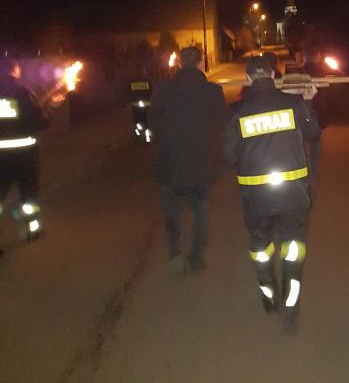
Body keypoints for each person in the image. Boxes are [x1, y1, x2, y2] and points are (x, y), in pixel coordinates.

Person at [224, 55, 320, 334]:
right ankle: (291, 308)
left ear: (247, 79)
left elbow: (229, 155)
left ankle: (269, 297)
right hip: (292, 196)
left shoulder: (236, 112)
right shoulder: (293, 103)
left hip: (256, 199)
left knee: (261, 251)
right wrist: (308, 101)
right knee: (293, 251)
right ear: (274, 75)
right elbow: (313, 133)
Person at [149, 46, 225, 274]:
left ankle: (175, 253)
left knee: (172, 212)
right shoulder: (213, 91)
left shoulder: (163, 90)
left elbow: (153, 123)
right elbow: (221, 123)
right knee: (200, 212)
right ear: (201, 63)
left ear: (179, 63)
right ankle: (196, 256)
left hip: (171, 162)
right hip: (202, 162)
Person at [0, 58, 49, 243]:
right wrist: (48, 110)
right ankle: (32, 230)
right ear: (15, 70)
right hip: (24, 156)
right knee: (28, 194)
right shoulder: (23, 93)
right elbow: (39, 122)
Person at [301, 47, 329, 196]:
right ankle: (312, 182)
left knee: (304, 152)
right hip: (317, 117)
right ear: (318, 57)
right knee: (314, 153)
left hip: (302, 119)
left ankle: (306, 185)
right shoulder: (322, 74)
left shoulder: (299, 73)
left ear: (304, 57)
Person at [126, 65, 153, 143]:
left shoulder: (146, 81)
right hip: (139, 105)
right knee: (140, 122)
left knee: (143, 122)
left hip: (143, 105)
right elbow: (128, 92)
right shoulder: (134, 82)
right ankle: (139, 136)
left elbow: (151, 92)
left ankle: (145, 137)